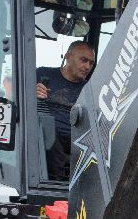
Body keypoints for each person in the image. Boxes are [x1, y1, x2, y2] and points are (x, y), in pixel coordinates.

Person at [36, 41, 96, 179]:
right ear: (68, 56)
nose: (87, 66)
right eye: (84, 60)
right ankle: (56, 184)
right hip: (45, 133)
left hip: (76, 136)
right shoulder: (42, 74)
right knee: (47, 128)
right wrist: (33, 94)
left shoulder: (91, 89)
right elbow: (19, 99)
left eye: (91, 63)